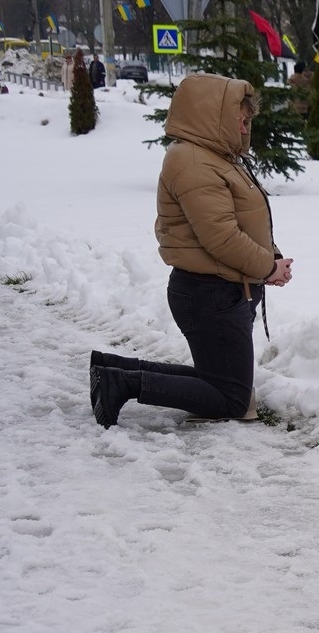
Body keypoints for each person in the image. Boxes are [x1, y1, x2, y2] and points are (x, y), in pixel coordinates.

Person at [89, 74, 292, 427]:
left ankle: (114, 370)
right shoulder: (194, 162)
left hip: (221, 291)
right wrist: (267, 268)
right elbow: (222, 237)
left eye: (247, 121)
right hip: (210, 294)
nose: (244, 128)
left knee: (218, 381)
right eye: (240, 119)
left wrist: (271, 258)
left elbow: (245, 221)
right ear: (215, 116)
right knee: (232, 400)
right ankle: (123, 383)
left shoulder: (217, 158)